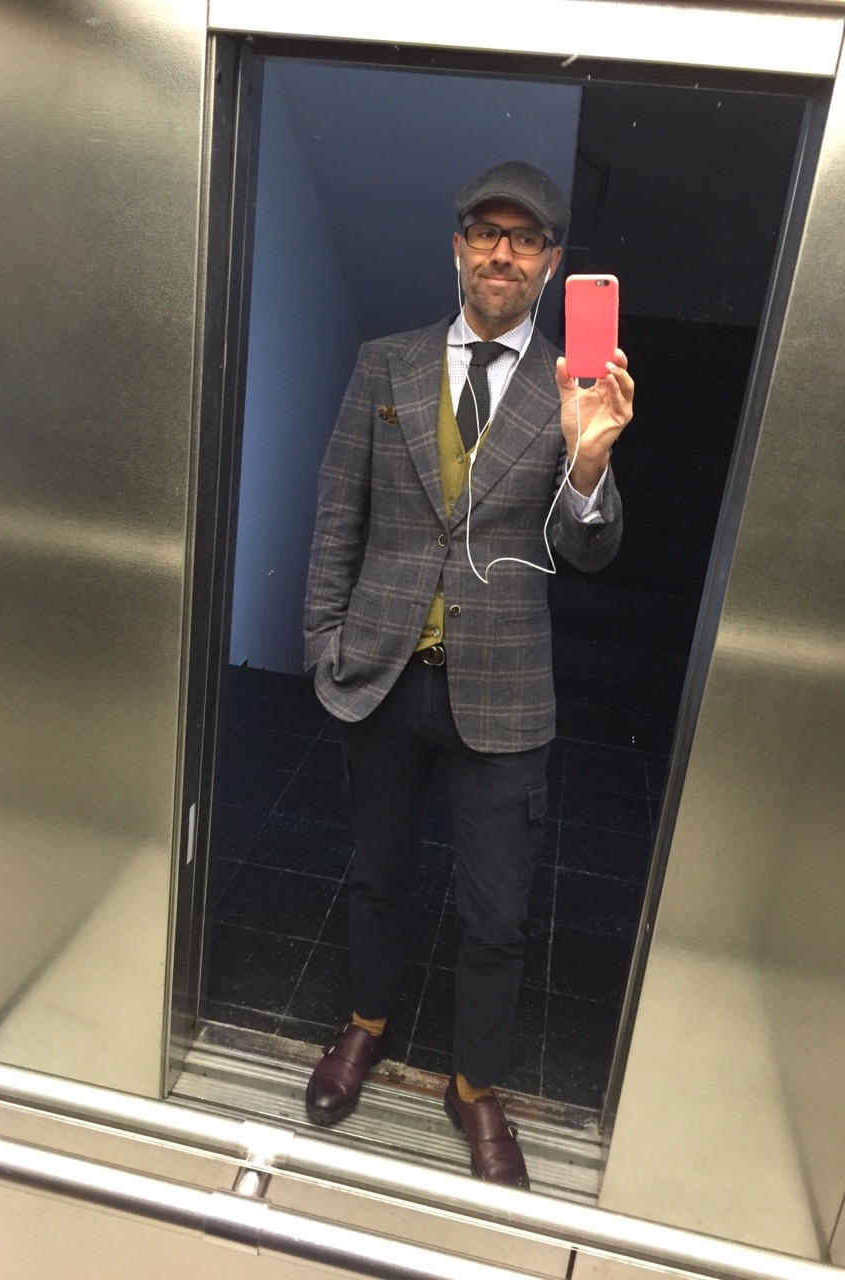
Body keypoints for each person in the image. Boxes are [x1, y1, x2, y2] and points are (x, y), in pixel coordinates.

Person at [302, 161, 634, 1188]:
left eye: (525, 239)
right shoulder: (386, 363)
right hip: (382, 674)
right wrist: (323, 642)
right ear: (457, 247)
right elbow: (339, 512)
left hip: (504, 689)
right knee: (378, 873)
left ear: (550, 264)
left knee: (497, 911)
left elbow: (588, 552)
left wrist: (589, 463)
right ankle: (366, 1022)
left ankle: (474, 1082)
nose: (503, 253)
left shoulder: (573, 387)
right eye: (486, 233)